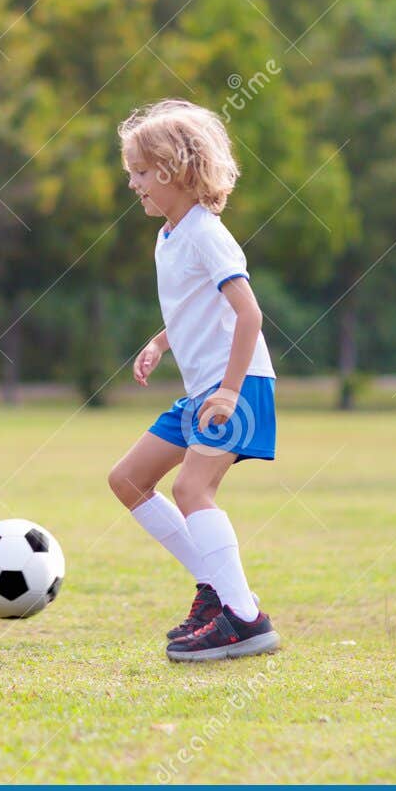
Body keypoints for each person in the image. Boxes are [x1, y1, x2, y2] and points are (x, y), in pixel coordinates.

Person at [108, 98, 281, 662]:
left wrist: (229, 391)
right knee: (129, 480)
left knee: (191, 490)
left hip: (238, 385)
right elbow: (195, 305)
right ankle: (216, 588)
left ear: (175, 170)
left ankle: (245, 618)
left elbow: (249, 314)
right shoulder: (170, 235)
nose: (133, 184)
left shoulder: (206, 232)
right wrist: (162, 341)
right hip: (202, 388)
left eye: (140, 172)